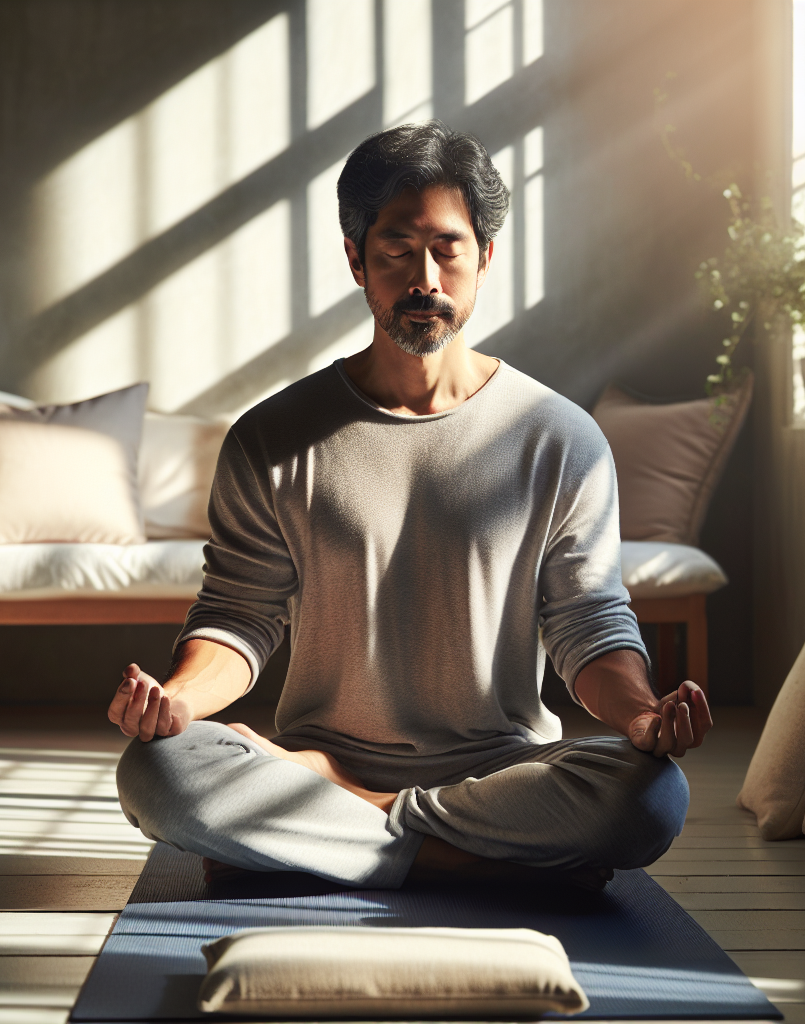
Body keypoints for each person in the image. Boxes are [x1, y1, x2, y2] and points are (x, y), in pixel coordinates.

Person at [111, 121, 711, 891]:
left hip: (499, 768)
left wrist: (639, 715)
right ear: (357, 260)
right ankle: (470, 859)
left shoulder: (561, 438)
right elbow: (238, 617)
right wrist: (175, 703)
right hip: (323, 760)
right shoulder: (272, 438)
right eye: (395, 249)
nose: (424, 276)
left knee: (653, 797)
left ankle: (343, 835)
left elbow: (589, 622)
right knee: (157, 770)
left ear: (485, 258)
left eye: (448, 249)